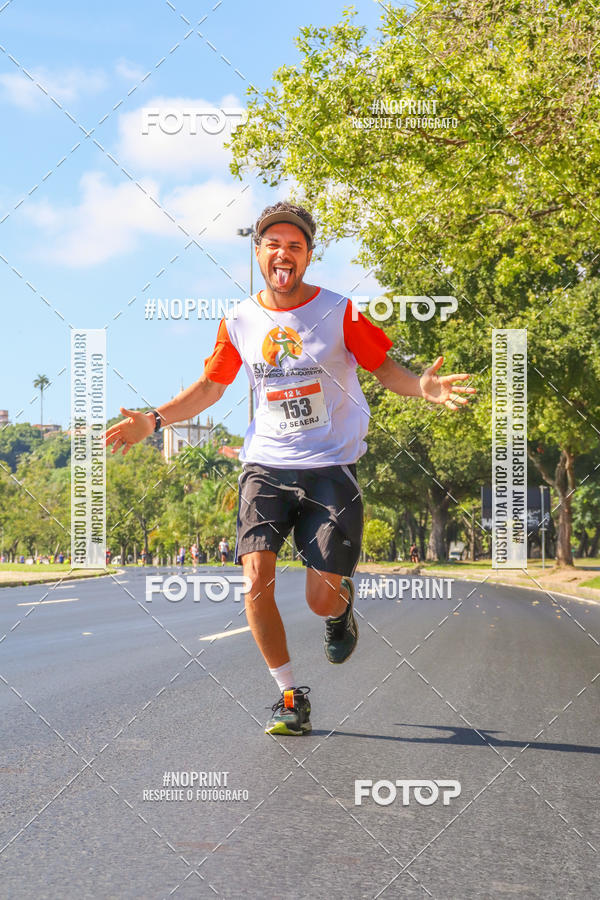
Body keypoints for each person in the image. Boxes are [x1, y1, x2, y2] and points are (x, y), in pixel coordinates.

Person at [105, 201, 476, 736]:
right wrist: (155, 420)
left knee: (319, 598)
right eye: (273, 244)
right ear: (258, 252)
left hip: (330, 468)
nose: (284, 254)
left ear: (308, 256)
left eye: (295, 246)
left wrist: (420, 386)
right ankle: (288, 696)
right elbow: (211, 386)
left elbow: (386, 370)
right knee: (255, 580)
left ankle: (340, 610)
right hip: (266, 466)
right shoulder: (239, 320)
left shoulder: (340, 312)